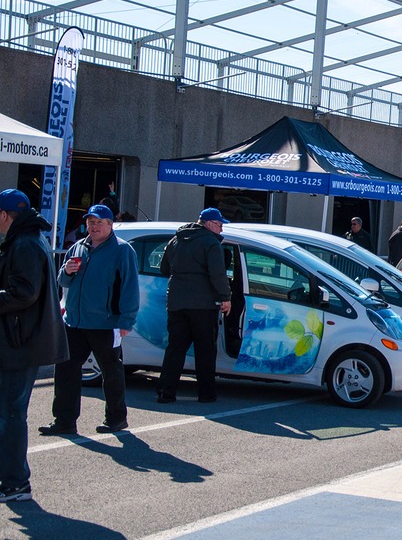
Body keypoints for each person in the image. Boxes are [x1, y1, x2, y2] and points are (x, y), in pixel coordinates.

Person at [41, 204, 140, 436]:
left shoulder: (122, 251)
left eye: (99, 222)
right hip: (75, 322)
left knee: (111, 371)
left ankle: (116, 418)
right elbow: (63, 282)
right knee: (65, 370)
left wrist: (126, 320)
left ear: (109, 225)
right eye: (90, 222)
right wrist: (67, 271)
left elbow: (129, 288)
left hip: (106, 322)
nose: (94, 227)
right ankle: (64, 421)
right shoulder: (77, 247)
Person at [0, 190, 68, 502]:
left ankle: (15, 483)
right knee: (10, 412)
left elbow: (24, 293)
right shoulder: (31, 238)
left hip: (19, 343)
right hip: (21, 341)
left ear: (4, 215)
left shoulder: (24, 242)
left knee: (11, 414)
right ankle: (12, 479)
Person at [156, 208, 232, 403]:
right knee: (205, 350)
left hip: (176, 303)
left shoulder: (176, 240)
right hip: (203, 305)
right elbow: (217, 273)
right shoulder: (211, 243)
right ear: (208, 223)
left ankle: (166, 392)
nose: (221, 229)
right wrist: (225, 297)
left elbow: (164, 268)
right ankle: (206, 394)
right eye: (219, 224)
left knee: (175, 349)